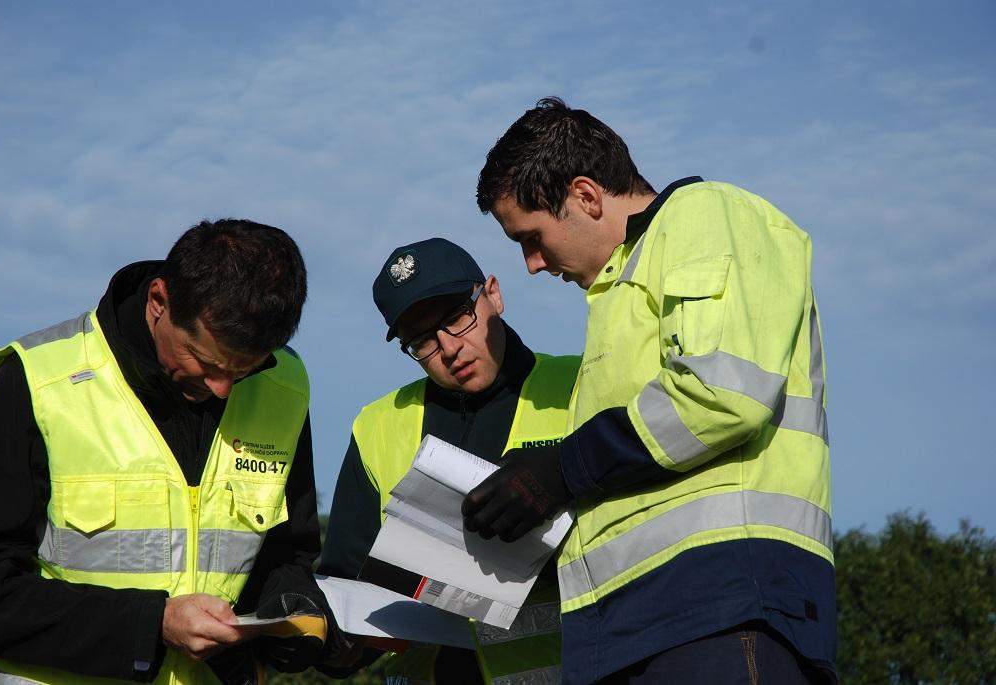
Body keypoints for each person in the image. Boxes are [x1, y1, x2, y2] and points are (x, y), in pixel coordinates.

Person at [463, 98, 835, 684]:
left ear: (587, 196)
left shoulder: (706, 214)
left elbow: (723, 393)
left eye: (531, 237)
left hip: (720, 604)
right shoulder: (617, 292)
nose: (532, 264)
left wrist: (560, 469)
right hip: (625, 631)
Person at [0, 219, 343, 684]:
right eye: (205, 361)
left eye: (245, 369)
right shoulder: (40, 380)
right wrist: (151, 625)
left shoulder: (283, 383)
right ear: (159, 301)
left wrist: (292, 609)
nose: (223, 388)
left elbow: (285, 554)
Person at [318, 237, 579, 684]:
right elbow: (345, 585)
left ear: (493, 294)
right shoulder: (377, 425)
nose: (448, 347)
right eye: (421, 339)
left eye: (457, 317)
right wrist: (332, 646)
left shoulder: (580, 384)